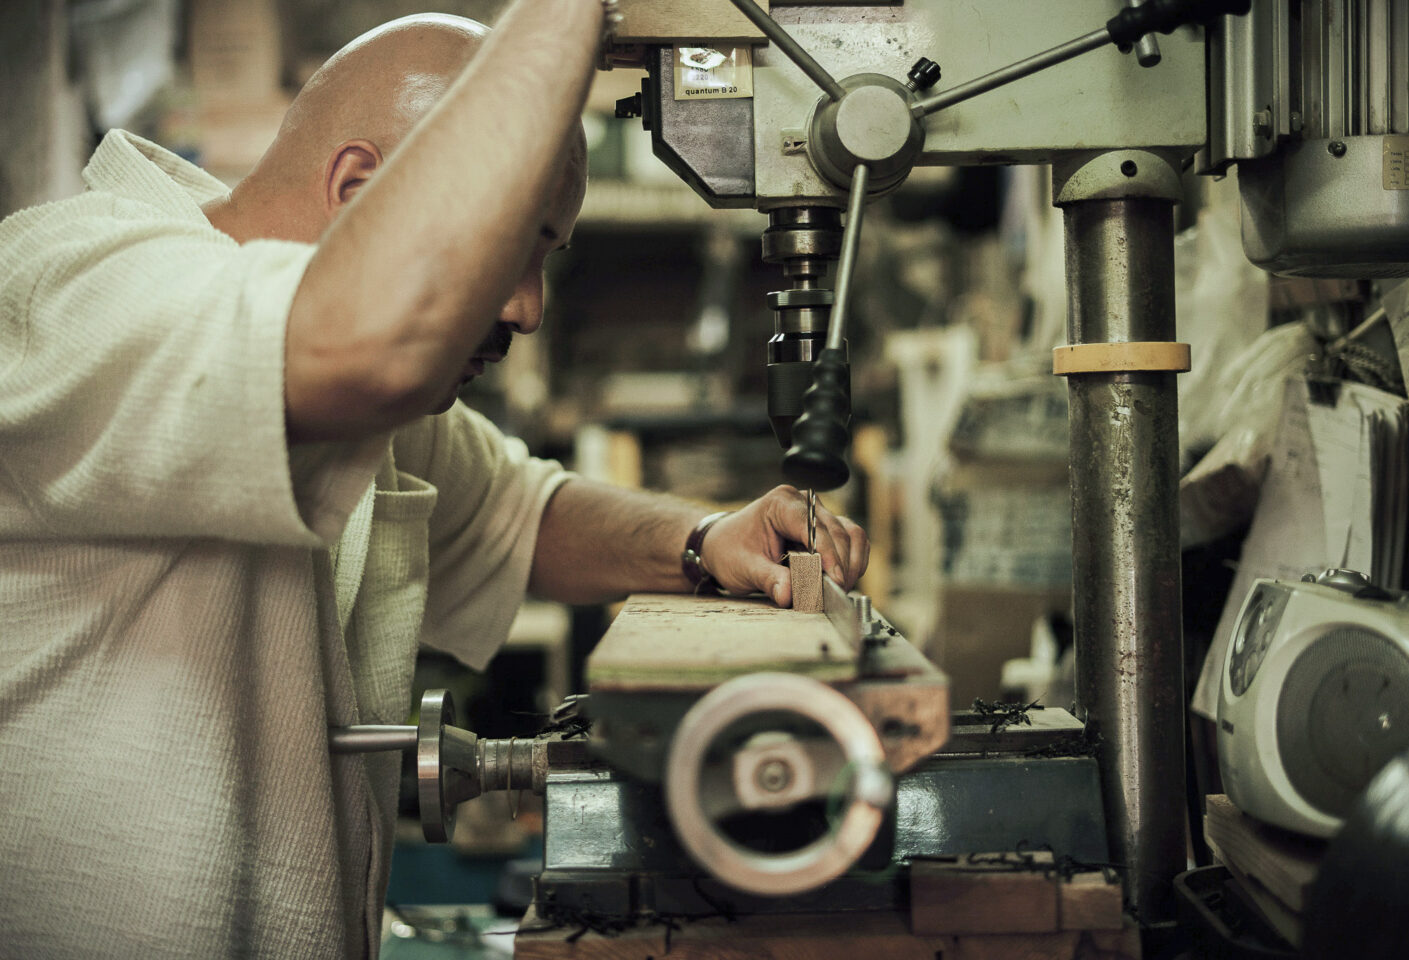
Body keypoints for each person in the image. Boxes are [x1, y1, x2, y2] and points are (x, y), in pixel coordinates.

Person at [0, 4, 868, 958]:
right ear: (359, 189)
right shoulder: (75, 288)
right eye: (510, 247)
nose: (530, 308)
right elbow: (369, 350)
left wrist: (702, 540)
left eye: (544, 258)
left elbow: (513, 512)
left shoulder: (346, 395)